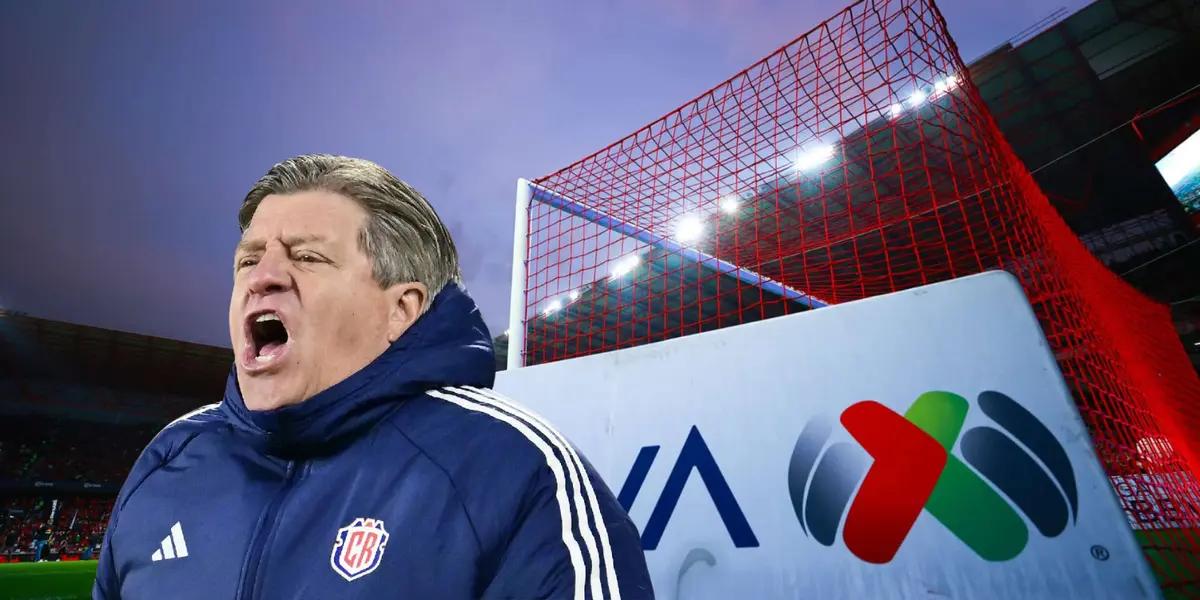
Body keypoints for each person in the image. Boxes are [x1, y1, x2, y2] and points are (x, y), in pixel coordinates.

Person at [94, 155, 653, 599]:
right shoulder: (168, 459)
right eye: (249, 259)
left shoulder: (513, 469)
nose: (264, 276)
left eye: (308, 257)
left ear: (401, 310)